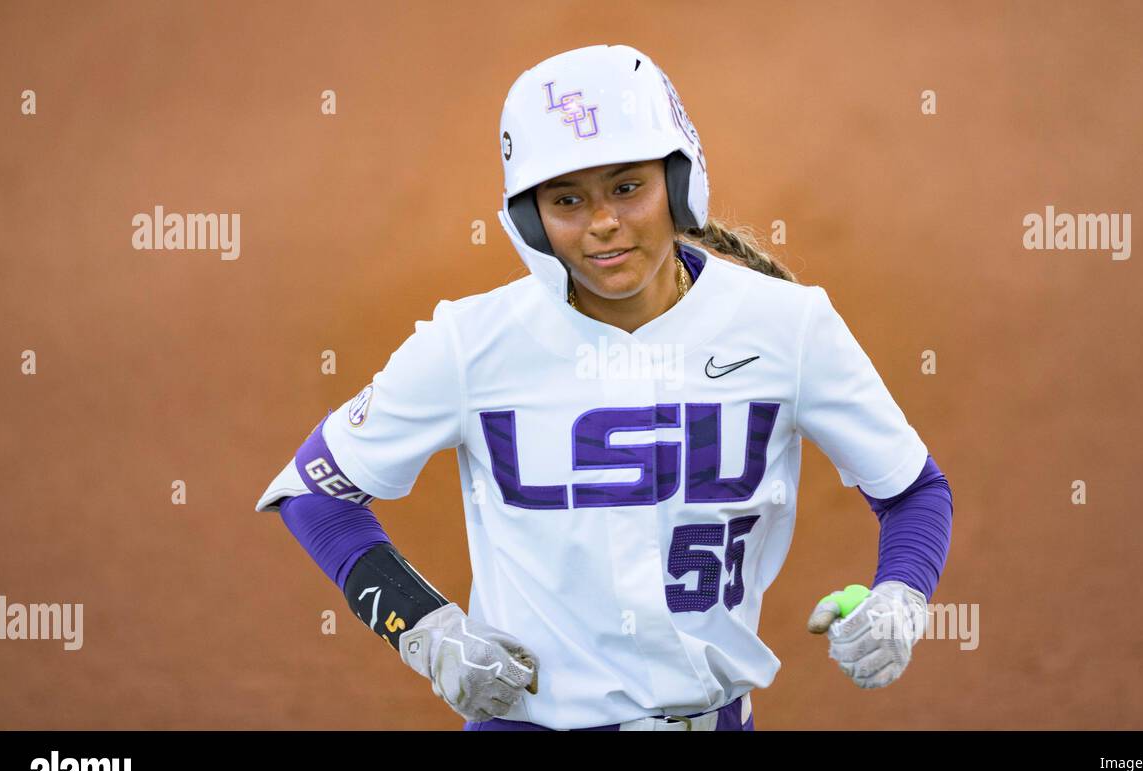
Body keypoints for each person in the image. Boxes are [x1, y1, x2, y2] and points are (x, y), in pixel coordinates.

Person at [254, 43, 953, 732]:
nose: (603, 223)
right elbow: (313, 489)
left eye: (627, 187)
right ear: (529, 220)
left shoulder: (787, 326)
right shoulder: (472, 343)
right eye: (567, 200)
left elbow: (913, 488)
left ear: (680, 183)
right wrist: (425, 627)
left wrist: (901, 594)